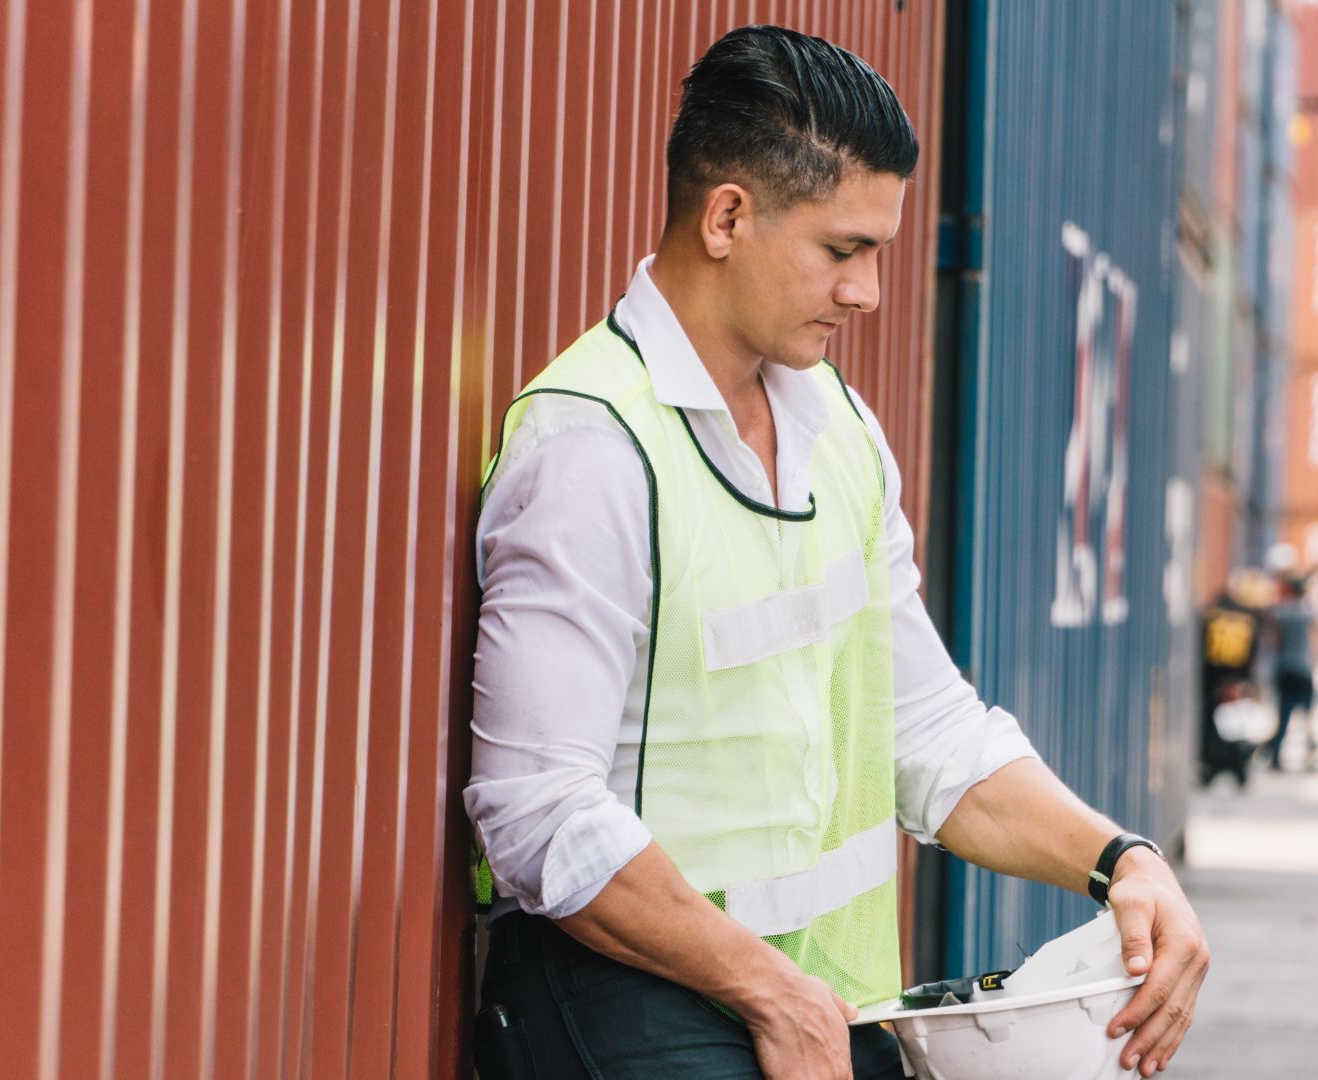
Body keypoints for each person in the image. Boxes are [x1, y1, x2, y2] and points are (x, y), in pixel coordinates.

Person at [465, 26, 1207, 1080]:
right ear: (727, 216)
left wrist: (1124, 861)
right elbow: (537, 814)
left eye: (878, 255)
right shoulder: (592, 445)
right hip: (630, 1016)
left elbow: (927, 732)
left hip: (822, 1015)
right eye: (841, 250)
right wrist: (767, 991)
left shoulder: (839, 430)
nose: (865, 292)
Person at [1198, 569, 1270, 787]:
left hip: (1210, 678)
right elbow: (1253, 652)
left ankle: (1211, 765)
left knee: (1210, 725)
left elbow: (1201, 644)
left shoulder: (1212, 612)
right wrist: (1250, 683)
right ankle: (1237, 767)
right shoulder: (1250, 618)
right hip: (1236, 679)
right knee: (1236, 727)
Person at [1263, 575, 1318, 772]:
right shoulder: (1307, 612)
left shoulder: (1281, 612)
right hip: (1304, 670)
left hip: (1285, 669)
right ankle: (1310, 758)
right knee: (1308, 717)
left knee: (1283, 716)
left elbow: (1269, 618)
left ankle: (1276, 757)